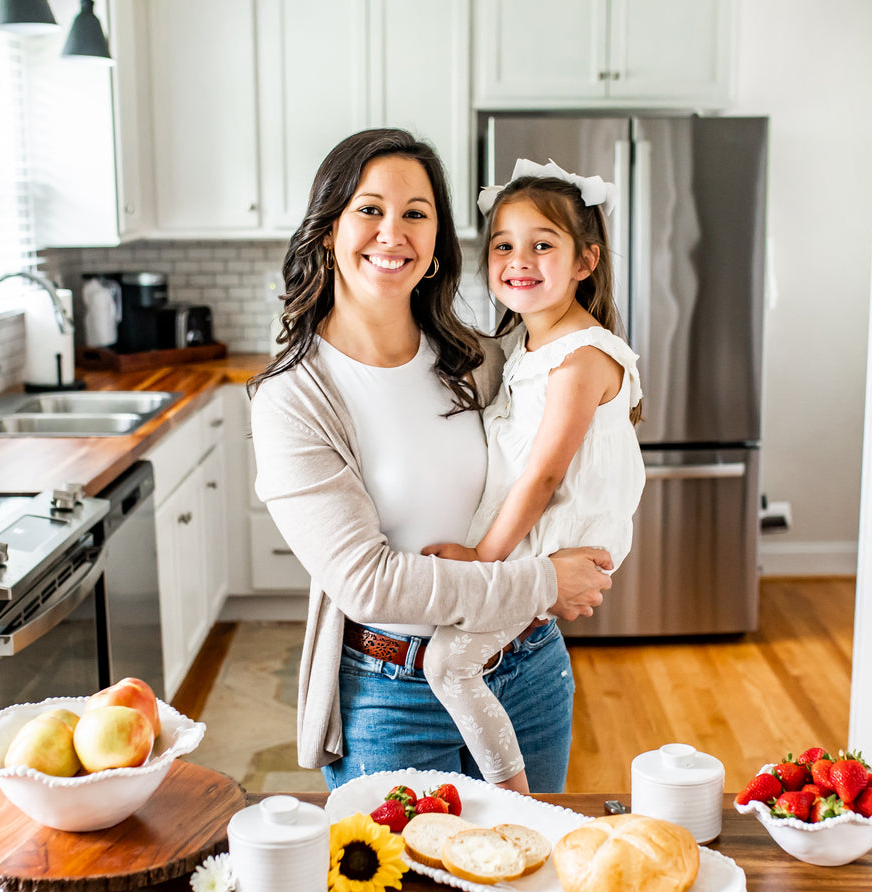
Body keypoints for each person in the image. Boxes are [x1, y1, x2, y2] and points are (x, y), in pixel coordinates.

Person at [247, 129, 614, 793]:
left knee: (527, 876)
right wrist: (542, 582)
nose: (393, 233)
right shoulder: (293, 400)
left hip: (527, 670)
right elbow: (369, 583)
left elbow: (570, 468)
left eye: (416, 213)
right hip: (394, 698)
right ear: (327, 229)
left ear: (437, 245)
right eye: (369, 209)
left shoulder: (483, 363)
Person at [420, 158, 646, 793]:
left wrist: (482, 560)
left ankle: (515, 795)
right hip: (533, 542)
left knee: (447, 665)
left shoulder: (580, 357)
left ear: (585, 261)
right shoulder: (525, 344)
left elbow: (545, 475)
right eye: (503, 245)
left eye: (542, 245)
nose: (519, 259)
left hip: (553, 541)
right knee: (463, 658)